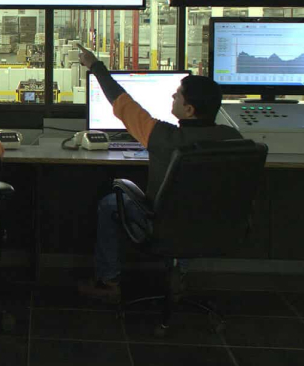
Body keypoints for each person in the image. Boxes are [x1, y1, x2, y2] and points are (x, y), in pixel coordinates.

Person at [76, 45, 241, 303]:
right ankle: (179, 276)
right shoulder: (234, 139)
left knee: (110, 204)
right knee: (193, 208)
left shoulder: (163, 137)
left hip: (163, 225)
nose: (172, 99)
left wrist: (95, 65)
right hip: (216, 227)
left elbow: (122, 103)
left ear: (189, 110)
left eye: (177, 96)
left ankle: (108, 281)